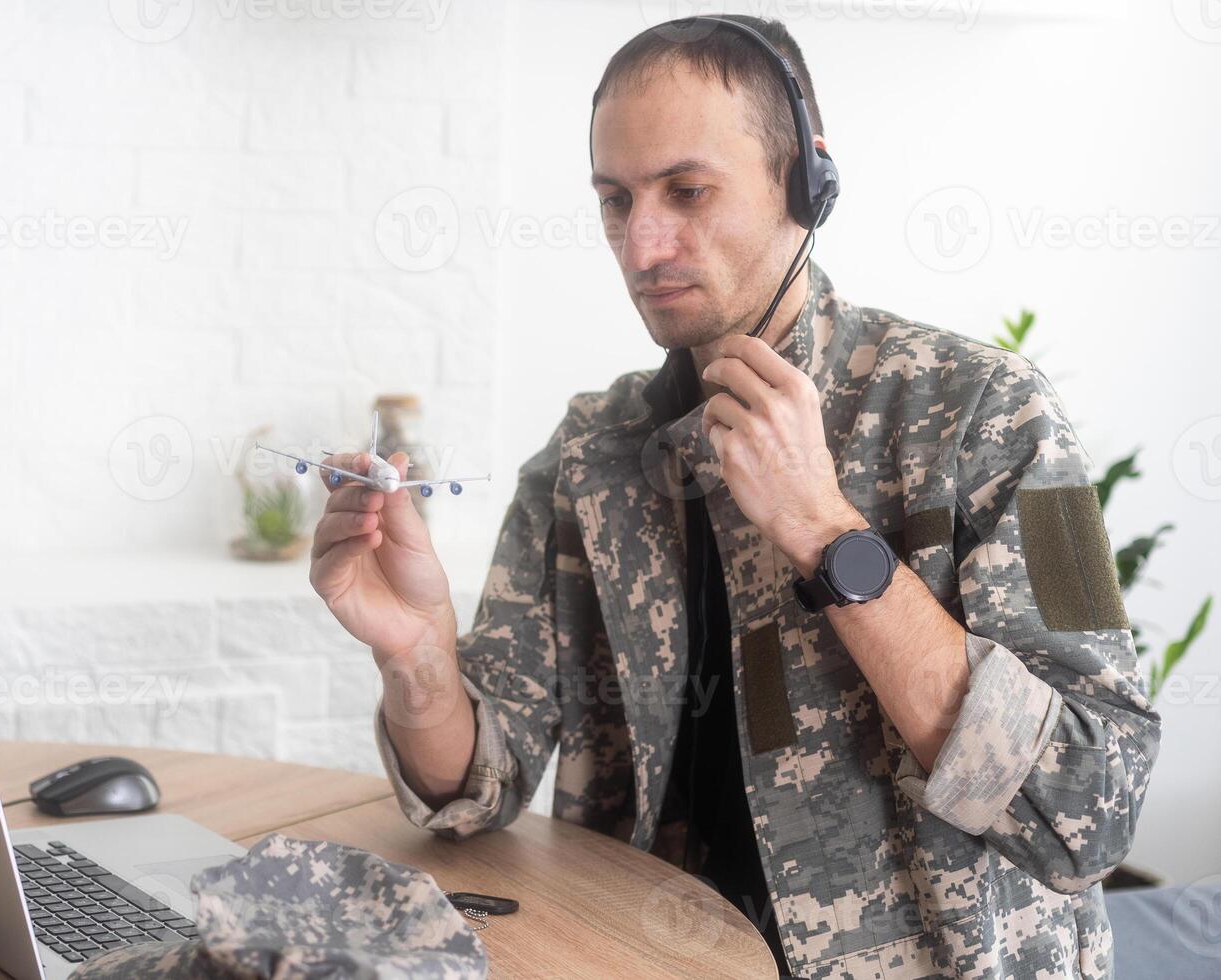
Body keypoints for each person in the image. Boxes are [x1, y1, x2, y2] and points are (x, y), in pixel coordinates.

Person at [307, 15, 1159, 979]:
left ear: (808, 181)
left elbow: (1096, 798)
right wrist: (418, 653)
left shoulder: (994, 413)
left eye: (687, 191)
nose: (643, 243)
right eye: (614, 200)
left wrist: (827, 534)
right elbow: (475, 791)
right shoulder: (588, 458)